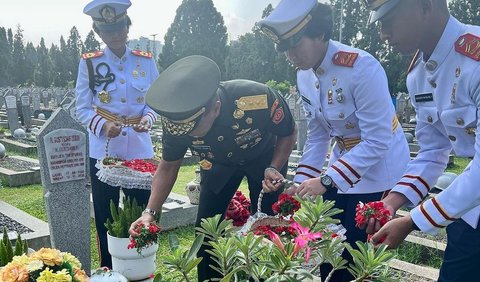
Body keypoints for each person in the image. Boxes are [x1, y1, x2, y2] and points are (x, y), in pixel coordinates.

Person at [257, 0, 410, 281]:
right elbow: (317, 134)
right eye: (285, 48)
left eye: (295, 44)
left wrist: (327, 181)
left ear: (320, 34)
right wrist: (301, 183)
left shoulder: (361, 67)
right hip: (343, 165)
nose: (291, 55)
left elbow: (377, 140)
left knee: (354, 255)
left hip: (378, 168)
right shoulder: (304, 75)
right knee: (330, 248)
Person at [128, 55, 296, 281]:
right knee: (206, 232)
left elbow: (288, 131)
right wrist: (149, 213)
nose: (186, 135)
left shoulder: (257, 97)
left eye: (193, 130)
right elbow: (168, 167)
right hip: (218, 166)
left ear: (215, 108)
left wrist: (275, 165)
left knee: (267, 228)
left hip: (265, 162)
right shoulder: (179, 122)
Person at [363, 0, 480, 281]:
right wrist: (392, 201)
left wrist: (413, 220)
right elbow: (433, 150)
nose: (383, 34)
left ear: (425, 7)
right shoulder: (418, 75)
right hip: (470, 210)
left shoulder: (474, 58)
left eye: (388, 20)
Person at [75, 0, 159, 268]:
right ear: (99, 33)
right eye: (108, 30)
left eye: (119, 28)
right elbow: (82, 108)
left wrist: (147, 118)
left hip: (139, 147)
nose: (115, 34)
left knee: (142, 211)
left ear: (127, 27)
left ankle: (142, 267)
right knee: (105, 216)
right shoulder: (90, 63)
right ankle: (108, 269)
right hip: (105, 151)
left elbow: (156, 100)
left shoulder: (145, 61)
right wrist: (101, 125)